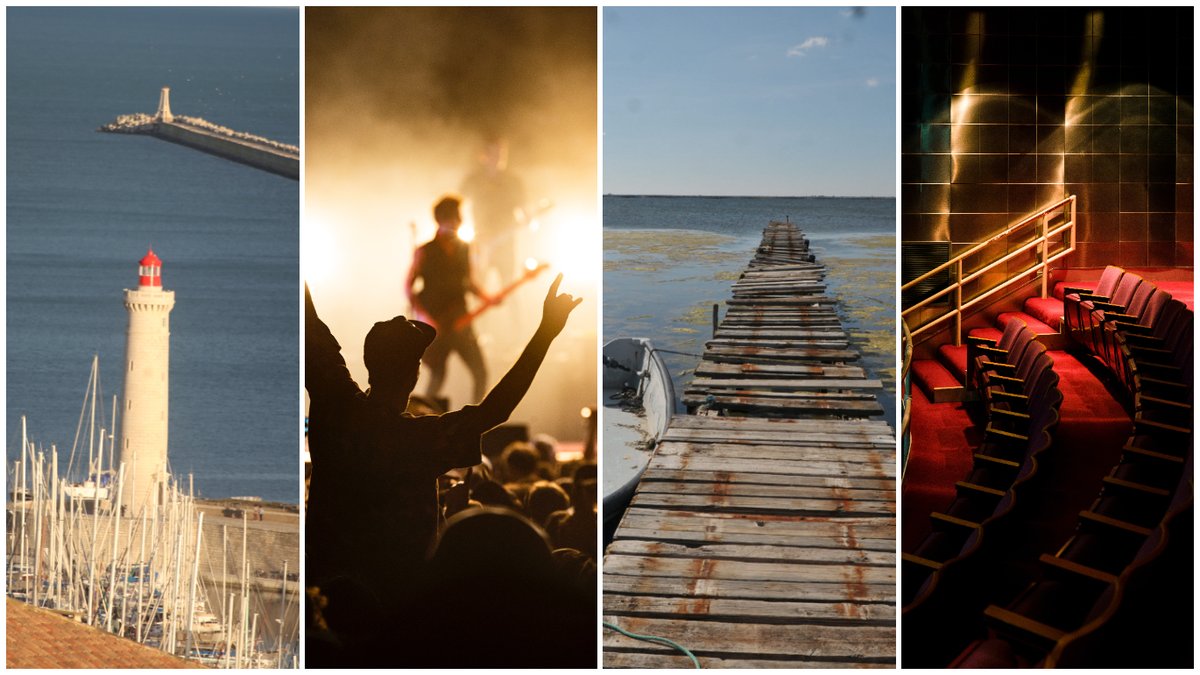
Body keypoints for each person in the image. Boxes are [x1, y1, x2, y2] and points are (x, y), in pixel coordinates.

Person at [304, 272, 580, 605]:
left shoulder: (335, 404)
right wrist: (545, 333)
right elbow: (496, 409)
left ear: (369, 363)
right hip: (395, 600)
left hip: (323, 590)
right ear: (414, 373)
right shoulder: (419, 440)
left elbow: (310, 329)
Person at [406, 195, 492, 403]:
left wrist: (487, 298)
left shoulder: (465, 248)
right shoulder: (424, 251)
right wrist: (425, 318)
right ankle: (422, 415)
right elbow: (409, 287)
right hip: (436, 323)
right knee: (438, 375)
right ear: (441, 219)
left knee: (480, 372)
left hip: (461, 320)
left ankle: (476, 416)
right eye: (454, 217)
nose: (459, 221)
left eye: (459, 217)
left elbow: (469, 282)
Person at [460, 136, 528, 286]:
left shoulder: (513, 181)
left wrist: (527, 219)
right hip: (481, 240)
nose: (497, 158)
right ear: (483, 155)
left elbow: (524, 211)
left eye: (500, 154)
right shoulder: (473, 180)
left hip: (506, 242)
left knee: (508, 285)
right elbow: (458, 203)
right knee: (478, 285)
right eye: (493, 153)